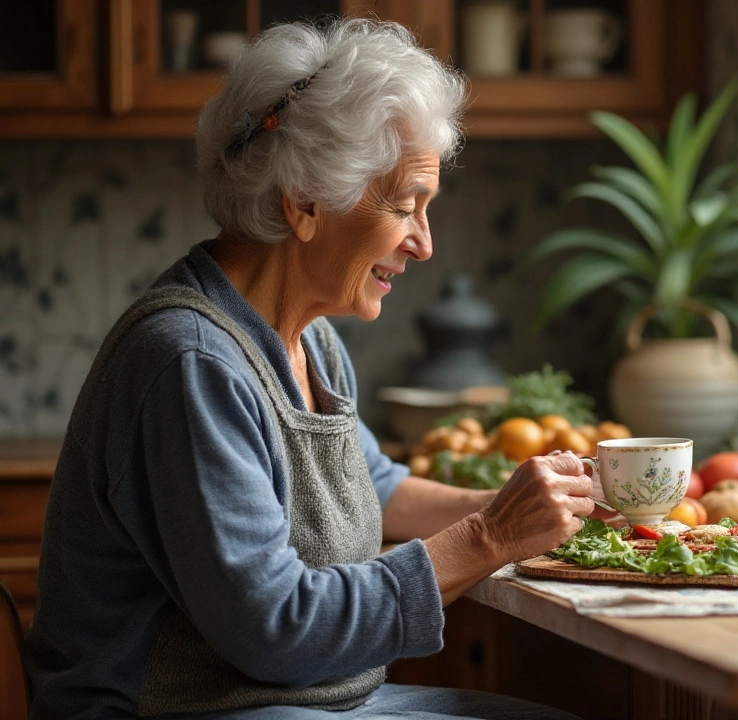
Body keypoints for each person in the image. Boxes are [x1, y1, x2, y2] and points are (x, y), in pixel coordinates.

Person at [24, 19, 597, 719]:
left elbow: (373, 486)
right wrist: (492, 536)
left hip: (300, 703)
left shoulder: (309, 339)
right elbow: (275, 628)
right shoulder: (190, 362)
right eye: (405, 205)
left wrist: (542, 509)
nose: (423, 244)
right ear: (304, 203)